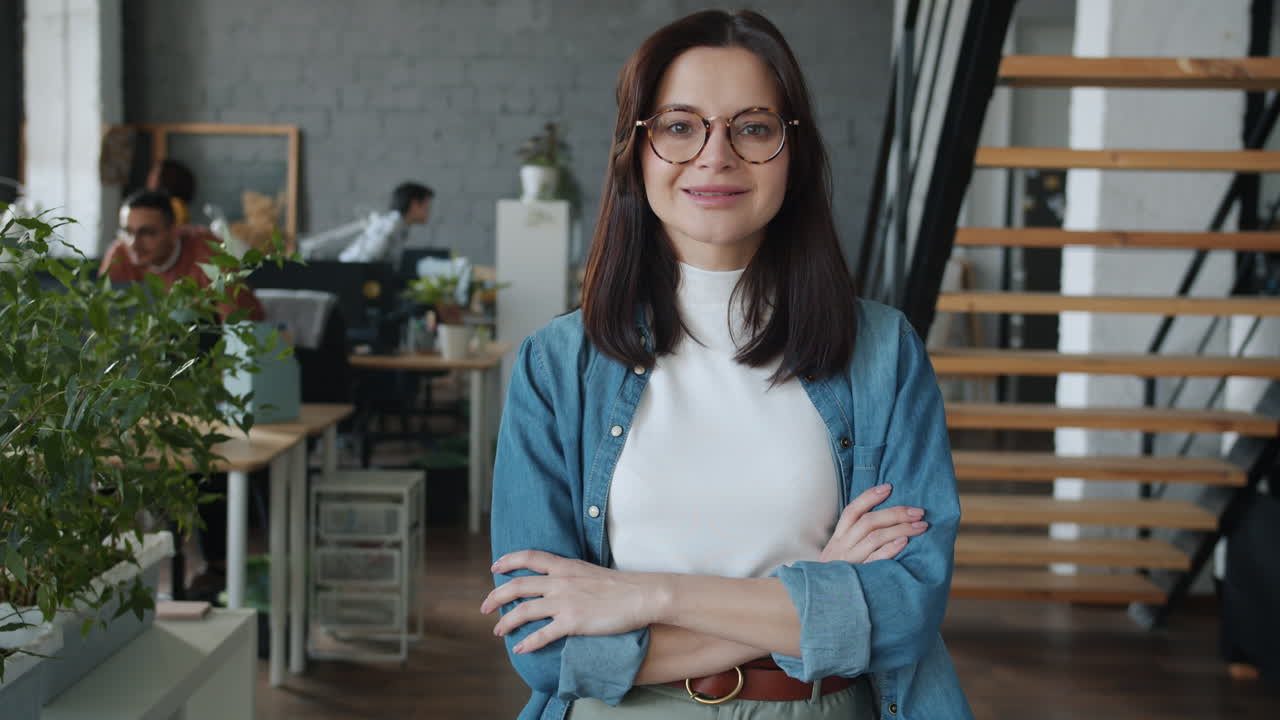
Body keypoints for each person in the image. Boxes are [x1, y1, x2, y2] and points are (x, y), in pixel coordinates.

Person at [482, 10, 971, 720]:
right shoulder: (556, 366)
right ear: (636, 151)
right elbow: (544, 648)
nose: (716, 156)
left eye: (753, 127)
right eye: (680, 126)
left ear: (791, 151)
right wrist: (823, 591)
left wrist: (649, 596)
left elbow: (902, 614)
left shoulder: (884, 355)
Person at [100, 189, 265, 322]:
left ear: (174, 231)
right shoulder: (119, 255)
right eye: (127, 232)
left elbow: (240, 328)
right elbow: (103, 322)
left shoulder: (209, 255)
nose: (133, 244)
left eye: (147, 233)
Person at [337, 181, 434, 263]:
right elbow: (367, 259)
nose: (429, 211)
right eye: (427, 206)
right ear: (414, 204)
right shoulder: (391, 226)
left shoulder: (399, 226)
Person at [146, 158, 196, 226]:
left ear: (167, 178)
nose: (149, 177)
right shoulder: (160, 204)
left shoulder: (175, 206)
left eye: (154, 172)